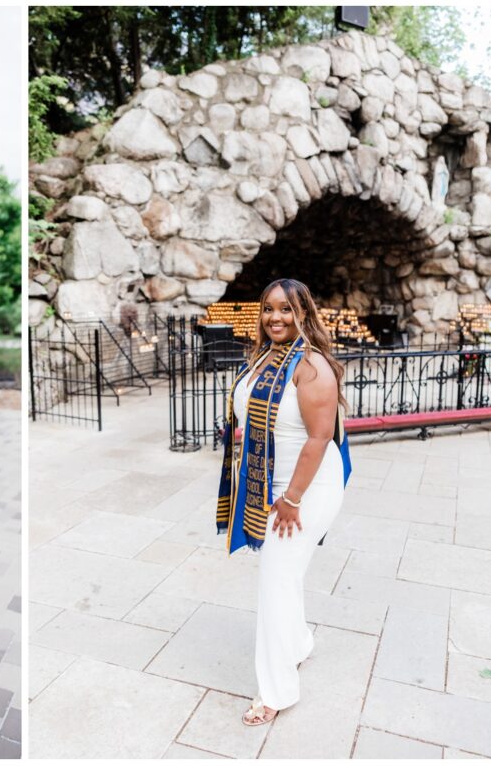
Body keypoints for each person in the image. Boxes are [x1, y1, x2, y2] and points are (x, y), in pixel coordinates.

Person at [214, 278, 352, 726]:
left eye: (287, 309)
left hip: (307, 487)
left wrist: (291, 498)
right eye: (269, 308)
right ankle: (298, 644)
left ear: (303, 313)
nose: (276, 317)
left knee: (275, 581)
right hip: (270, 482)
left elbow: (319, 438)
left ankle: (276, 690)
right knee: (284, 575)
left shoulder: (312, 367)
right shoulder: (264, 357)